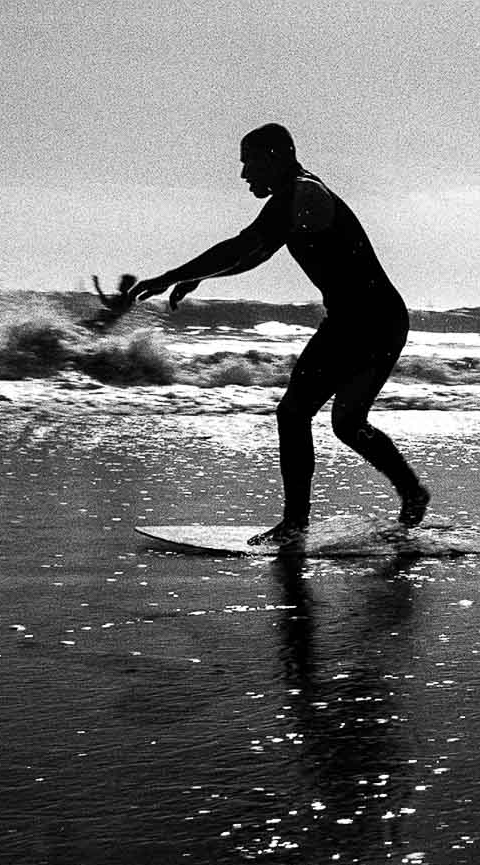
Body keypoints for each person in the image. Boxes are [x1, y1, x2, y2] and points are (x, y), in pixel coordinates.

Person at [111, 123, 430, 547]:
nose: (244, 174)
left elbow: (244, 245)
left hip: (362, 320)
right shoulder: (296, 197)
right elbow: (255, 254)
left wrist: (172, 276)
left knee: (293, 413)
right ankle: (412, 491)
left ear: (275, 157)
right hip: (383, 319)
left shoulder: (300, 194)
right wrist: (200, 278)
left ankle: (295, 524)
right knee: (347, 423)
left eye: (249, 162)